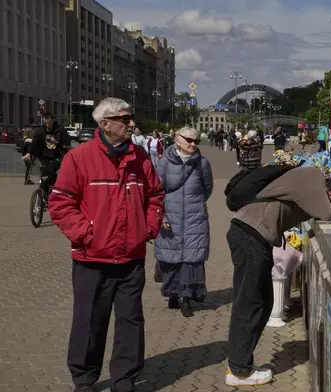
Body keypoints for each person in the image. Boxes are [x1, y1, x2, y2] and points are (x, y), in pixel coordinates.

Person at [47, 98, 164, 392]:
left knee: (130, 321)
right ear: (105, 124)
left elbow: (156, 196)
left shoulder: (140, 157)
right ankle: (84, 379)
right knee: (90, 321)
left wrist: (148, 228)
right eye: (124, 119)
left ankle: (125, 379)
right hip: (92, 258)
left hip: (131, 257)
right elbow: (60, 203)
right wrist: (85, 233)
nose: (131, 124)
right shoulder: (79, 158)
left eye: (130, 118)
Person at [224, 167, 331, 386]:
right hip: (250, 235)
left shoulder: (311, 182)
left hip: (253, 235)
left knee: (264, 302)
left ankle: (241, 365)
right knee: (249, 303)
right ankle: (239, 371)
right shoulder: (313, 179)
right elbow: (326, 212)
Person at [154, 127, 213, 318]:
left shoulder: (202, 163)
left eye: (195, 141)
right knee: (172, 259)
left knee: (192, 259)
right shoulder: (163, 163)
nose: (192, 144)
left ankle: (186, 298)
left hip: (195, 218)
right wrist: (161, 217)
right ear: (177, 140)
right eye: (188, 140)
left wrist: (195, 205)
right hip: (170, 218)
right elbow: (156, 193)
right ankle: (172, 294)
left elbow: (207, 189)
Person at [21, 112, 69, 189]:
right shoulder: (40, 131)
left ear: (53, 121)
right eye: (45, 123)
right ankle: (44, 195)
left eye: (49, 123)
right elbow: (34, 143)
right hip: (45, 156)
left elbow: (67, 144)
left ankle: (55, 187)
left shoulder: (60, 130)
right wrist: (28, 153)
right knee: (44, 176)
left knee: (50, 169)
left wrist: (57, 142)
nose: (47, 126)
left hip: (58, 156)